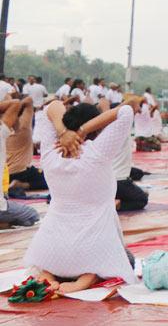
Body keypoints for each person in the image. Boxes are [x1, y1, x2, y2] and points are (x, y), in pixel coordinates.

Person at [24, 97, 140, 292]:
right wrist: (82, 132)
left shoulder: (49, 153)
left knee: (54, 260)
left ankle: (48, 275)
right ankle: (87, 277)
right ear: (97, 130)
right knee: (127, 258)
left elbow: (50, 107)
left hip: (51, 251)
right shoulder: (97, 152)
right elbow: (126, 110)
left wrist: (63, 132)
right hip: (89, 251)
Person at [0, 98, 39, 227]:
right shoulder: (21, 130)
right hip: (20, 173)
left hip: (8, 176)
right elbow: (26, 101)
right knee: (32, 216)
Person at [5, 96, 45, 191]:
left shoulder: (3, 129)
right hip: (21, 173)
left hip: (4, 174)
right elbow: (29, 100)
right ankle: (21, 185)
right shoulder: (24, 127)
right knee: (48, 179)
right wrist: (15, 105)